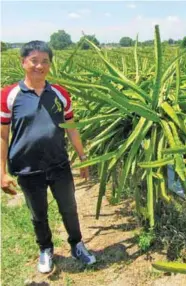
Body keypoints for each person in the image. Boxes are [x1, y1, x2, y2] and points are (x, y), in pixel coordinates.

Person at [0, 41, 96, 273]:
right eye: (34, 60)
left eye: (45, 61)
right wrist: (2, 172)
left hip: (59, 163)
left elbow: (71, 127)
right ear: (23, 63)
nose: (39, 66)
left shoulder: (60, 93)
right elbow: (2, 135)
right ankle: (45, 249)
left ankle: (77, 244)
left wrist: (84, 158)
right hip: (27, 166)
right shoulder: (9, 95)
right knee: (38, 213)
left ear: (50, 65)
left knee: (69, 207)